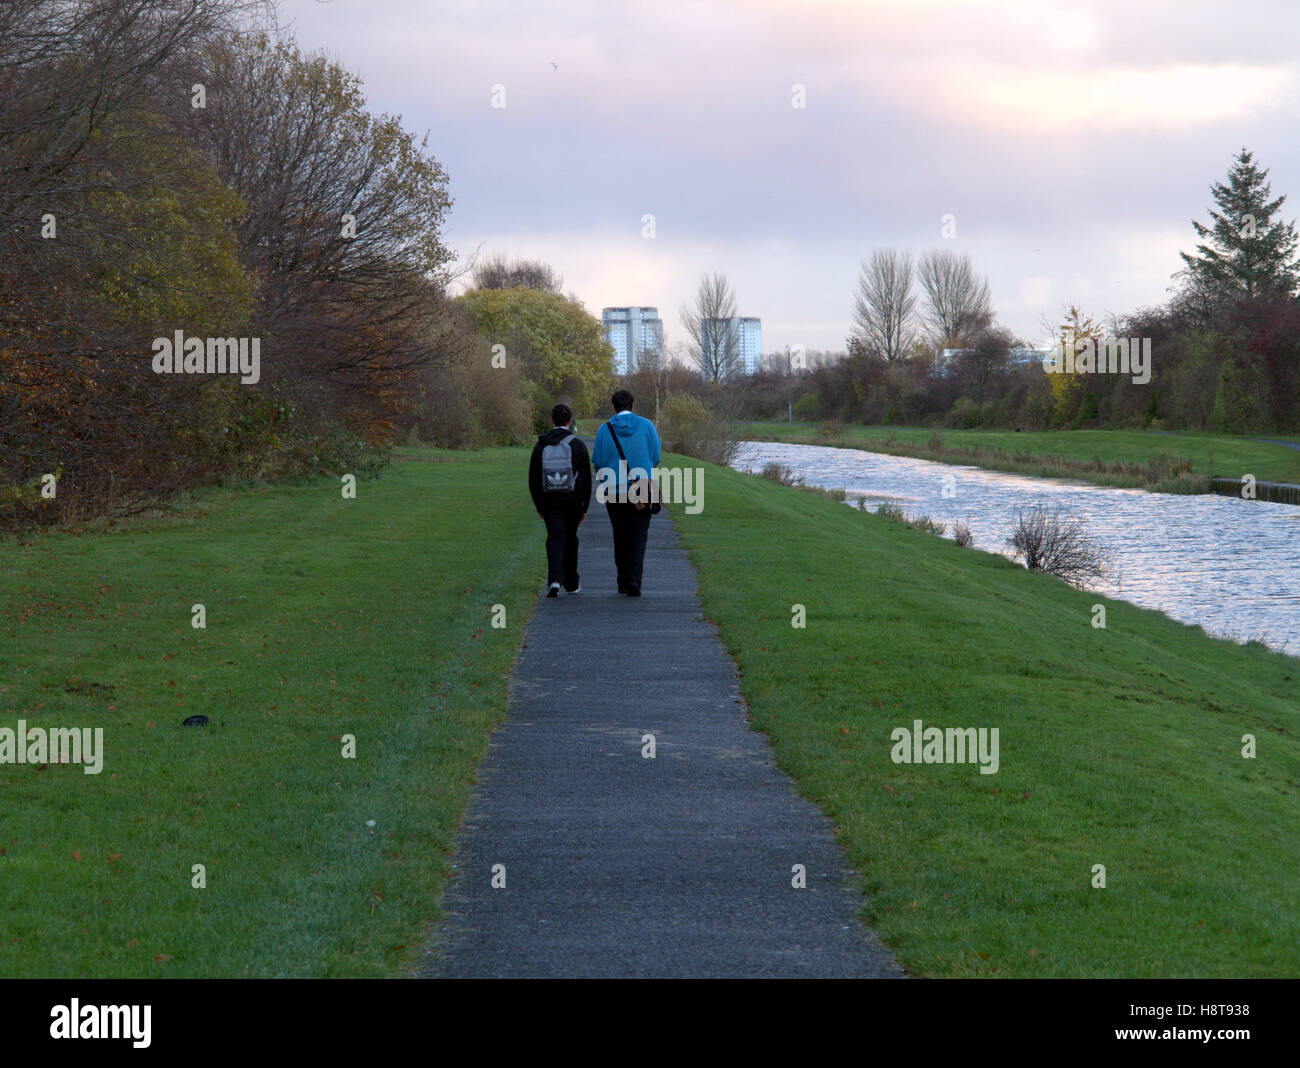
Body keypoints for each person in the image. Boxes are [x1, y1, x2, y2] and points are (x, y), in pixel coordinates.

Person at [591, 389, 661, 597]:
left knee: (620, 535)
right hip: (642, 488)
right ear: (632, 405)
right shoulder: (647, 426)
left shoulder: (605, 429)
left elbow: (598, 460)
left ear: (613, 407)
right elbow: (655, 456)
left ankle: (623, 580)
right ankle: (634, 580)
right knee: (638, 536)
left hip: (614, 489)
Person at [528, 403, 591, 597]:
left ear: (551, 420)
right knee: (571, 539)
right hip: (573, 500)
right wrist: (584, 507)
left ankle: (554, 579)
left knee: (555, 538)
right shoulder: (577, 445)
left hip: (549, 500)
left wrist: (539, 504)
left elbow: (533, 478)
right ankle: (571, 583)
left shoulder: (541, 445)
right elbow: (587, 479)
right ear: (570, 421)